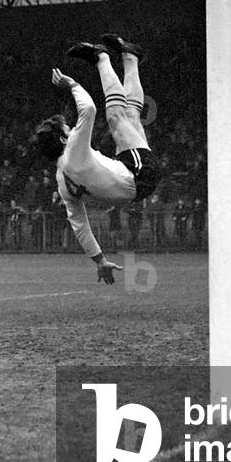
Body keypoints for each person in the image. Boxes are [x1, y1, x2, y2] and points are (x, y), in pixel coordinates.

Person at [33, 33, 161, 283]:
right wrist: (71, 85)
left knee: (131, 115)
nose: (70, 130)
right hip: (139, 172)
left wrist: (99, 260)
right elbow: (89, 109)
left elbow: (79, 225)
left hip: (137, 181)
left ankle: (130, 57)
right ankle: (101, 57)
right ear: (62, 139)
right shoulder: (72, 150)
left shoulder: (62, 180)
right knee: (115, 116)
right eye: (66, 129)